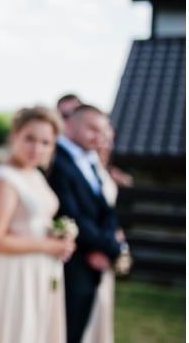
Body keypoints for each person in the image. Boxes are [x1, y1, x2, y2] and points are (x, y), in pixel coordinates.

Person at [0, 106, 75, 343]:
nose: (37, 148)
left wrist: (60, 238)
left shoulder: (34, 174)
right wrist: (48, 246)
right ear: (15, 136)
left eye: (46, 142)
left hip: (40, 273)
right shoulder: (5, 179)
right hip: (14, 275)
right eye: (30, 139)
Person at [47, 104, 123, 343]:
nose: (98, 137)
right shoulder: (57, 161)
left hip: (93, 261)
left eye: (102, 131)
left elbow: (106, 209)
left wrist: (109, 247)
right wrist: (111, 248)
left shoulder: (90, 161)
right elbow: (71, 214)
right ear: (70, 125)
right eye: (92, 129)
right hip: (73, 261)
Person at [80, 120, 131, 343]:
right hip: (91, 249)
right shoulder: (85, 170)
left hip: (106, 246)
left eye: (110, 140)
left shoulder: (106, 173)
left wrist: (117, 244)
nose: (106, 144)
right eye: (103, 138)